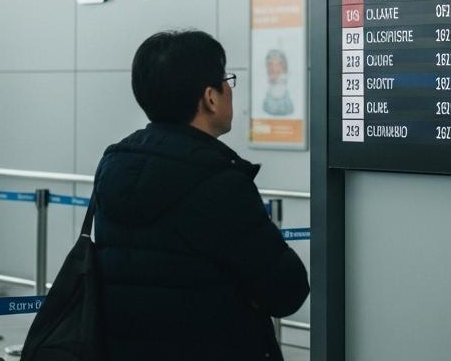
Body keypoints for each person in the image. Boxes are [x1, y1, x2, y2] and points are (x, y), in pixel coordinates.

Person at [94, 30, 310, 360]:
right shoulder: (220, 182)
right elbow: (285, 291)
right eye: (227, 81)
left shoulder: (114, 166)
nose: (230, 91)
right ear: (210, 97)